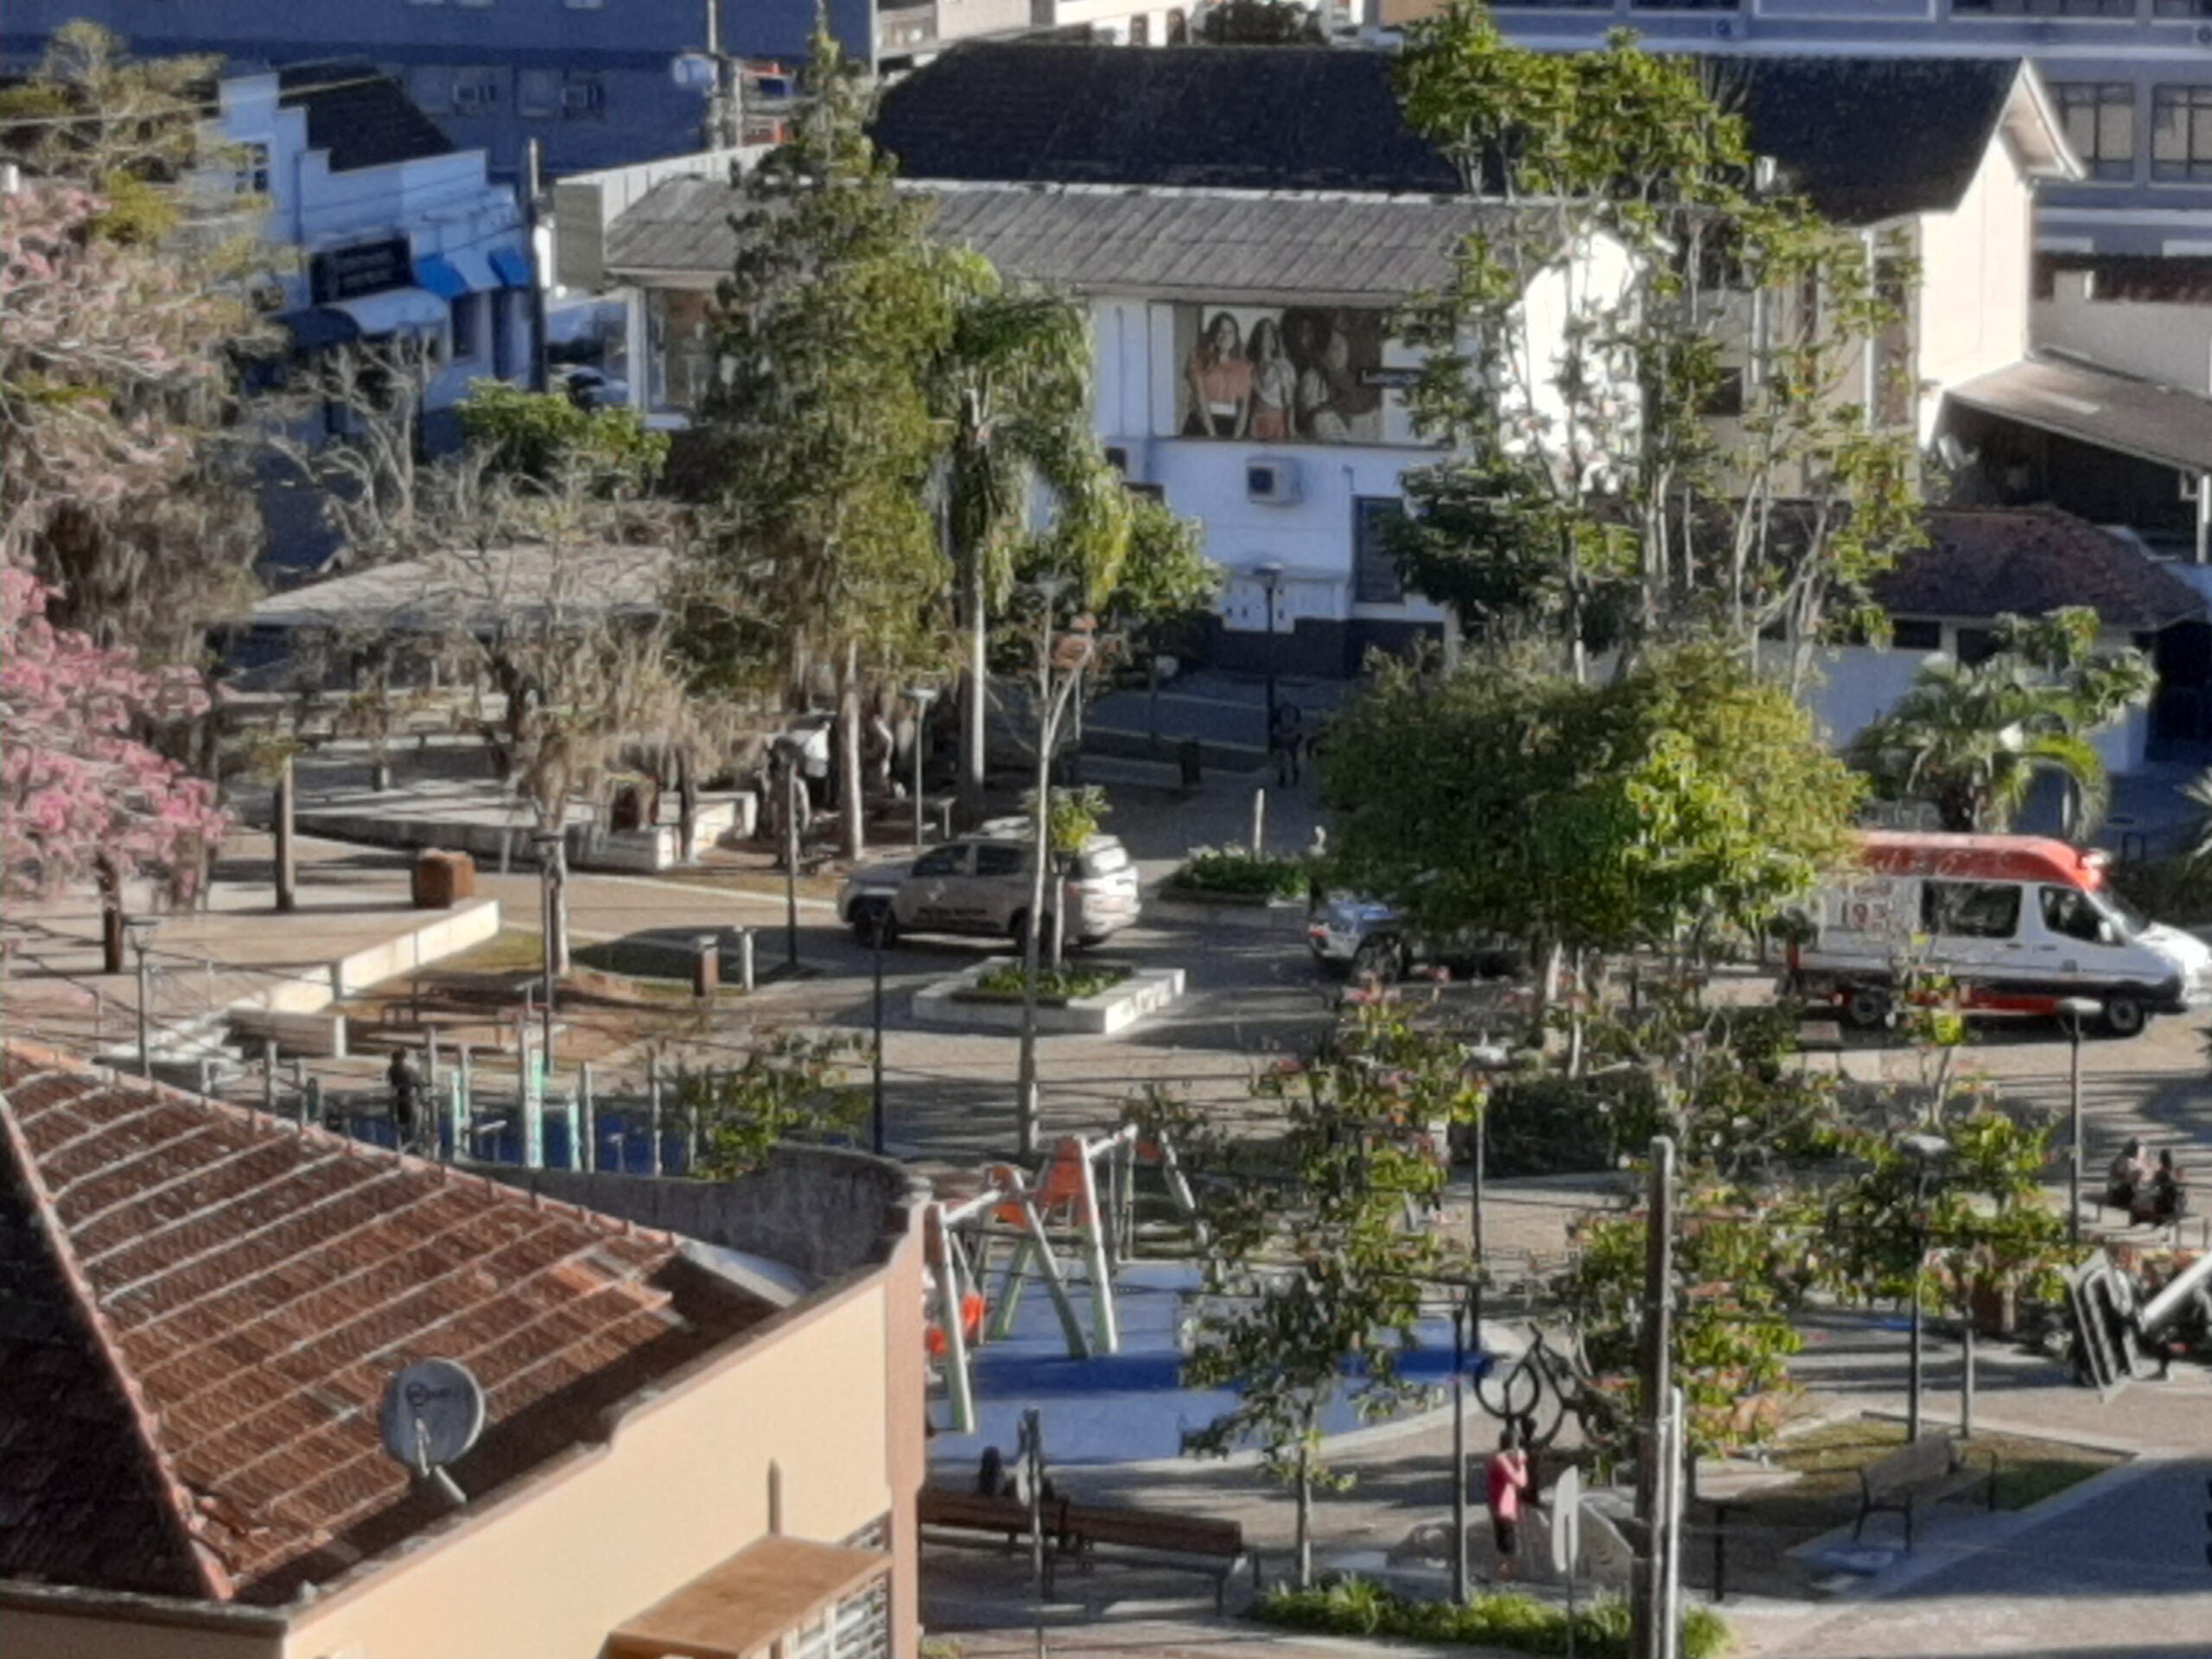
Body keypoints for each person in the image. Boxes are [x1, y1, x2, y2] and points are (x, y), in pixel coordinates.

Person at [1183, 311, 1250, 438]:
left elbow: (1244, 407)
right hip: (1201, 424)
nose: (1225, 336)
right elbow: (1200, 401)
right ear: (1213, 333)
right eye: (1221, 331)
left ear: (1236, 336)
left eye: (1230, 332)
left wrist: (1237, 438)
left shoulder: (1244, 367)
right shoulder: (1198, 361)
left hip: (1230, 424)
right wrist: (1213, 437)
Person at [1484, 1427, 1530, 1581]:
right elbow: (1521, 1482)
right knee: (1510, 1551)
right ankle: (1496, 1578)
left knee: (1510, 1550)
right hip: (1503, 1511)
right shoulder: (1500, 1461)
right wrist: (1522, 1463)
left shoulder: (1500, 1459)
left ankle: (1502, 1578)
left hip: (1506, 1509)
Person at [1243, 316, 1296, 442]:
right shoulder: (1250, 367)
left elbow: (1289, 403)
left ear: (1275, 339)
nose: (1265, 337)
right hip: (1256, 422)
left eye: (1269, 333)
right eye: (1261, 333)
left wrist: (1291, 433)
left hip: (1277, 422)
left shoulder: (1284, 366)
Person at [387, 1046, 423, 1150]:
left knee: (404, 1125)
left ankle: (406, 1144)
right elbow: (419, 1083)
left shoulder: (392, 1069)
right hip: (409, 1099)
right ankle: (411, 1144)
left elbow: (393, 1087)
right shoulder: (408, 1070)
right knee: (412, 1123)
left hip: (401, 1099)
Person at [2107, 1138, 2152, 1211]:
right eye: (2143, 1150)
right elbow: (2127, 1179)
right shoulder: (2126, 1160)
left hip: (2125, 1191)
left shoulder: (2134, 1160)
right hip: (2120, 1194)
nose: (2144, 1153)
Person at [1270, 701, 1305, 786]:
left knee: (1282, 758)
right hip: (1293, 736)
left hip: (1283, 736)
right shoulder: (1295, 710)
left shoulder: (1279, 711)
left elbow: (1274, 725)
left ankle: (1283, 778)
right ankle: (1295, 775)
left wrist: (1276, 736)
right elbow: (1299, 723)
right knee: (1294, 757)